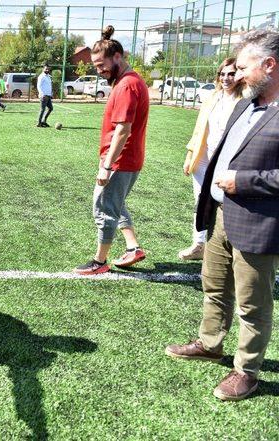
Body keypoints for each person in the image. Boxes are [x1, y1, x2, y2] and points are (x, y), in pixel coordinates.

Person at [165, 29, 279, 402]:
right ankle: (210, 343)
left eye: (244, 67)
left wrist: (242, 180)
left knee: (252, 303)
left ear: (269, 65)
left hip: (258, 224)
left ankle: (246, 372)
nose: (237, 74)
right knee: (213, 286)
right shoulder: (248, 103)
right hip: (221, 215)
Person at [73, 25, 149, 276]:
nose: (99, 70)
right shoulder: (130, 80)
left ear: (118, 57)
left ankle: (99, 261)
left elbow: (123, 130)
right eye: (95, 66)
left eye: (101, 64)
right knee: (115, 203)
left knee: (104, 207)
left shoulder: (127, 85)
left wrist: (107, 166)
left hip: (120, 160)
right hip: (124, 159)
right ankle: (133, 247)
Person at [178, 58, 244, 260]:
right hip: (204, 159)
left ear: (240, 76)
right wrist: (190, 156)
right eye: (222, 74)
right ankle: (199, 245)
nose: (226, 78)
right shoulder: (213, 98)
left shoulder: (245, 101)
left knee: (225, 204)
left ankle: (230, 248)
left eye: (231, 74)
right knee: (200, 202)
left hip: (227, 162)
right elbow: (199, 130)